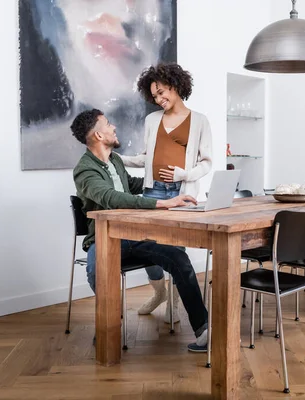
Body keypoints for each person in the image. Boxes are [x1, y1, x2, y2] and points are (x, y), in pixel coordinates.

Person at [71, 108, 208, 351]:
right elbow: (111, 197)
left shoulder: (113, 160)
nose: (113, 127)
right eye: (108, 124)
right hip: (104, 239)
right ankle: (107, 323)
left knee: (179, 258)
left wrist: (167, 186)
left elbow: (131, 185)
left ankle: (203, 329)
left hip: (132, 235)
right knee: (96, 270)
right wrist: (161, 203)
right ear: (99, 136)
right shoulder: (84, 170)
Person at [119, 63, 213, 322]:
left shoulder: (200, 121)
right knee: (146, 246)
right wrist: (118, 159)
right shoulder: (152, 120)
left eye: (162, 92)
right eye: (155, 96)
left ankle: (174, 302)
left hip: (181, 193)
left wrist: (185, 175)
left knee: (175, 251)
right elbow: (145, 157)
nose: (159, 99)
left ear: (176, 85)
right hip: (153, 192)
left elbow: (207, 161)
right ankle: (160, 292)